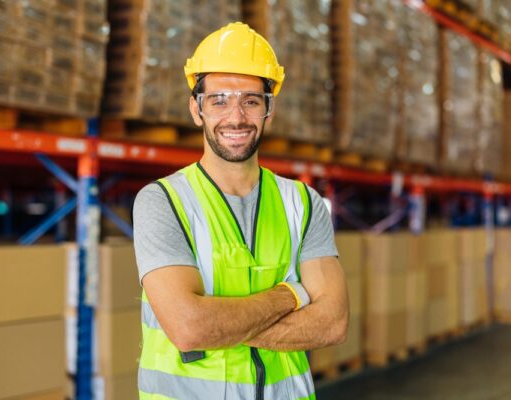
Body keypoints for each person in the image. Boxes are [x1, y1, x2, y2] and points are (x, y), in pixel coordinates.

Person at [133, 22, 349, 400]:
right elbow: (189, 330)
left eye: (250, 100)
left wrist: (220, 326)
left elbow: (332, 325)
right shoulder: (162, 201)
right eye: (218, 100)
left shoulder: (304, 203)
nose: (236, 117)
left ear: (268, 110)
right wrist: (290, 296)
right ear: (196, 109)